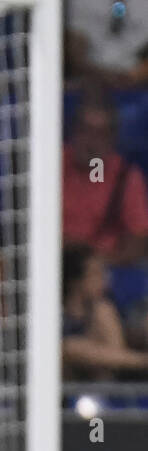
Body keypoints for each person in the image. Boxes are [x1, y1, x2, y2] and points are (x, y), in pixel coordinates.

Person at [62, 101, 148, 267]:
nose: (91, 141)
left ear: (112, 139)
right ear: (73, 131)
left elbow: (140, 237)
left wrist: (97, 265)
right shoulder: (51, 165)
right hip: (48, 261)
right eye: (85, 130)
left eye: (100, 134)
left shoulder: (126, 177)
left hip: (100, 269)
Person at [61, 243, 148, 380]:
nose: (104, 281)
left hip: (106, 380)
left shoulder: (103, 310)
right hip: (68, 384)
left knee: (103, 311)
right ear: (75, 280)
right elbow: (71, 350)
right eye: (96, 274)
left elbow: (117, 354)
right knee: (71, 347)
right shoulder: (57, 316)